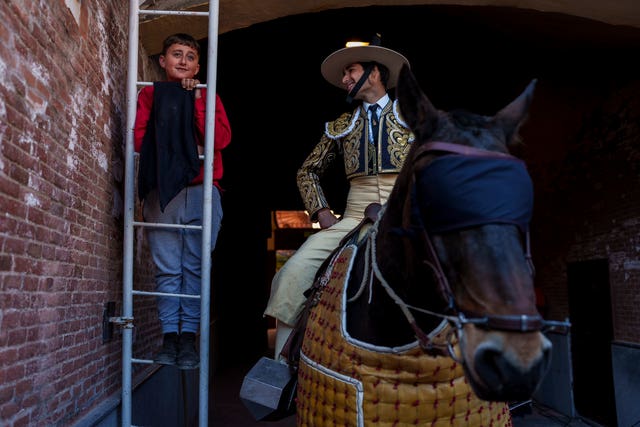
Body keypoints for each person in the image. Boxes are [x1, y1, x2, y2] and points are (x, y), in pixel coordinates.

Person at [264, 35, 414, 361]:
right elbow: (307, 171)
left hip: (408, 218)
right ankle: (281, 369)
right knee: (290, 276)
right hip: (353, 219)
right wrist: (320, 211)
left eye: (351, 70)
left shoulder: (415, 116)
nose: (345, 79)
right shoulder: (341, 125)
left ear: (374, 73)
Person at [134, 33, 232, 369]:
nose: (184, 61)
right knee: (167, 269)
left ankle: (188, 338)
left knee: (195, 266)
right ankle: (169, 337)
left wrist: (197, 102)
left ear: (199, 66)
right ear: (162, 61)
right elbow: (138, 138)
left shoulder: (207, 94)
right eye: (176, 54)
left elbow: (219, 140)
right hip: (164, 191)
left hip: (203, 191)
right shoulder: (150, 94)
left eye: (191, 56)